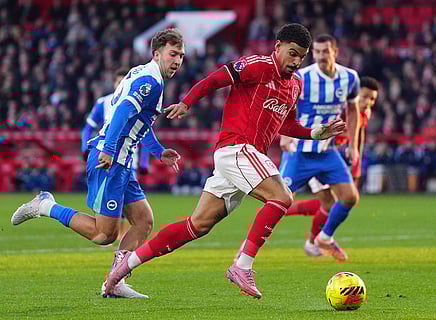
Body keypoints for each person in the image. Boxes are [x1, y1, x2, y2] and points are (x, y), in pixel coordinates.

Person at [104, 23, 346, 299]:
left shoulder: (295, 85)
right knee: (282, 197)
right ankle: (242, 266)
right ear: (277, 47)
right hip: (236, 148)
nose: (295, 61)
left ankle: (124, 266)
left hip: (246, 158)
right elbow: (215, 79)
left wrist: (316, 132)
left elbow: (288, 124)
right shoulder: (257, 66)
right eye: (292, 53)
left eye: (301, 57)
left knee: (197, 225)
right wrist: (187, 102)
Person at [11, 28, 184, 298]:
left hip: (123, 162)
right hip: (112, 160)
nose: (178, 61)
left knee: (143, 221)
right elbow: (125, 110)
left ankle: (115, 282)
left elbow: (138, 121)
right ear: (157, 53)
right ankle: (45, 205)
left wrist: (158, 151)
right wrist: (111, 148)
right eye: (173, 54)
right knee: (103, 235)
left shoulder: (143, 73)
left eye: (181, 56)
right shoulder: (151, 81)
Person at [278, 34, 361, 262]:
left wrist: (353, 145)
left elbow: (353, 111)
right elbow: (284, 104)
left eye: (326, 52)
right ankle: (245, 253)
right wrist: (284, 135)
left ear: (335, 52)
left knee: (349, 197)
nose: (321, 56)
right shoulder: (302, 77)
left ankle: (323, 238)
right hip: (299, 152)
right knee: (278, 202)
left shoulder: (350, 78)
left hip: (327, 152)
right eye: (317, 52)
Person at [283, 77, 380, 258]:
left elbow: (358, 133)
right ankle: (314, 240)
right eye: (365, 97)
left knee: (331, 202)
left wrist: (356, 164)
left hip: (327, 155)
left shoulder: (364, 114)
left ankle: (315, 242)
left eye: (372, 99)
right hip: (307, 152)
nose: (368, 103)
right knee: (287, 200)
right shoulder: (338, 109)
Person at [81, 68, 150, 175]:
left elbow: (145, 135)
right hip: (106, 157)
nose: (121, 86)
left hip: (129, 161)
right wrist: (85, 149)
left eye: (125, 82)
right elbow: (88, 129)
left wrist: (144, 162)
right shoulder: (103, 103)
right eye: (119, 82)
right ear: (114, 84)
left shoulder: (138, 105)